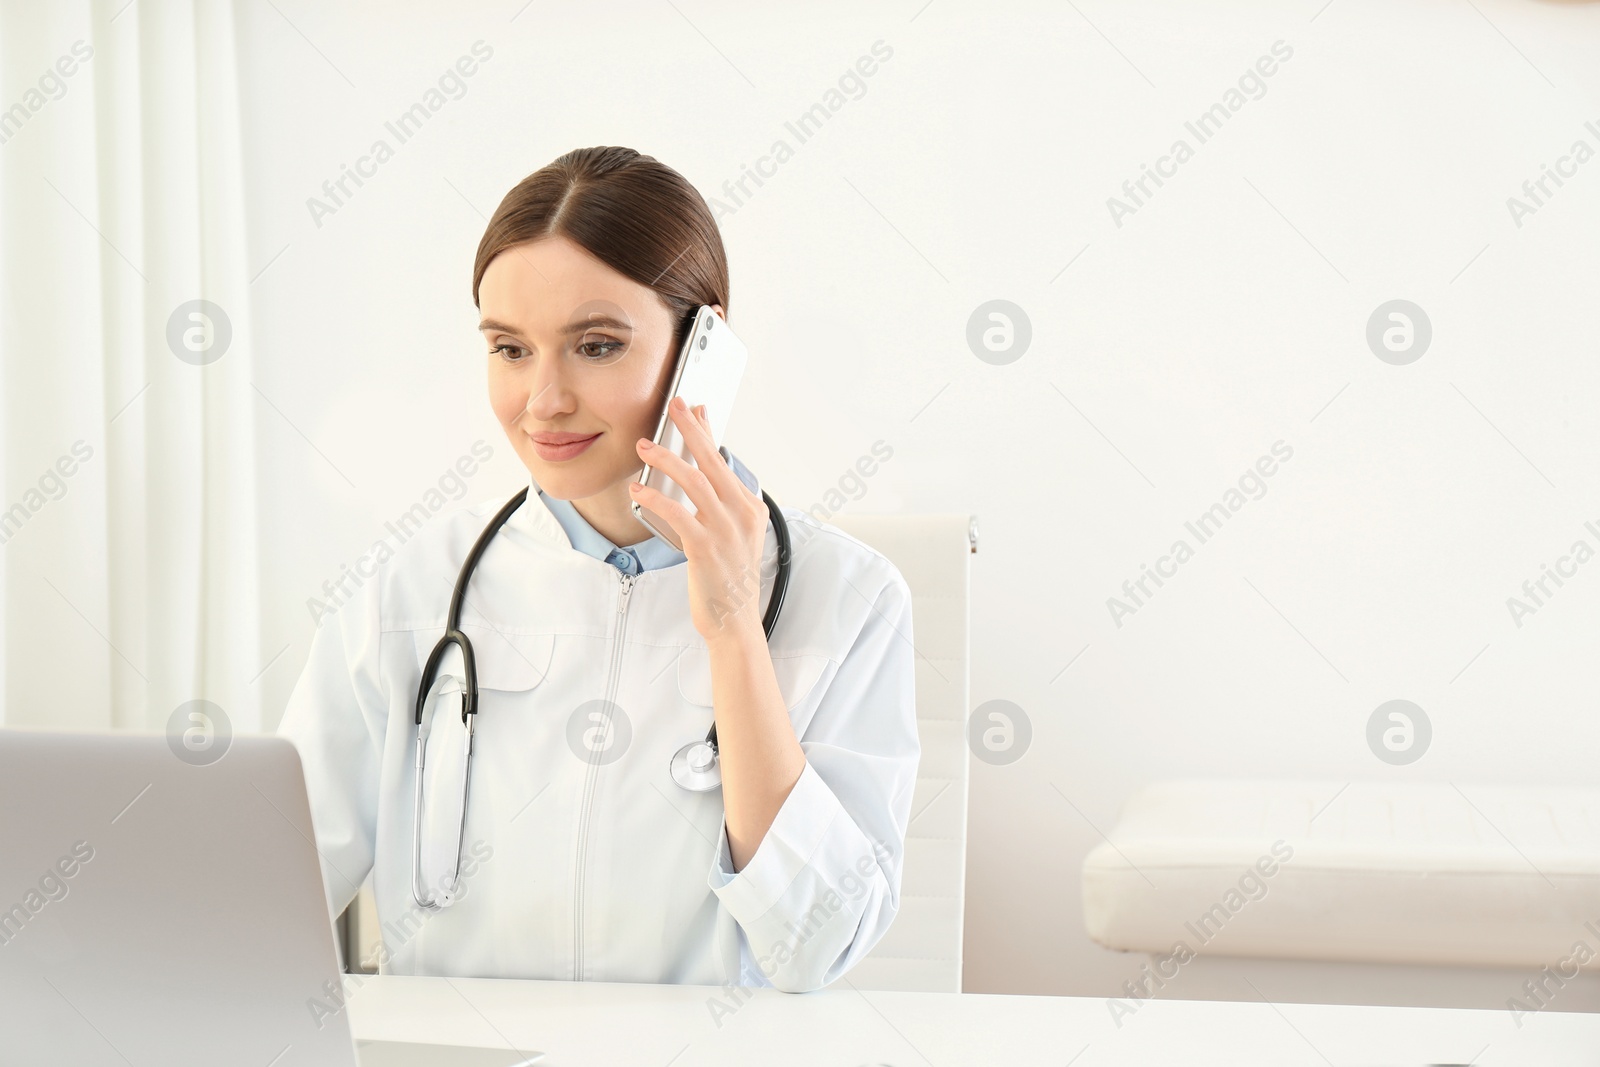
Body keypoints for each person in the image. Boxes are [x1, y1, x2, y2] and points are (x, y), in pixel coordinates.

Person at [277, 145, 920, 994]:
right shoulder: (406, 591)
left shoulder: (852, 599)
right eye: (510, 349)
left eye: (596, 345)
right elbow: (256, 903)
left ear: (706, 344)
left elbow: (816, 944)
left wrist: (733, 631)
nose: (543, 400)